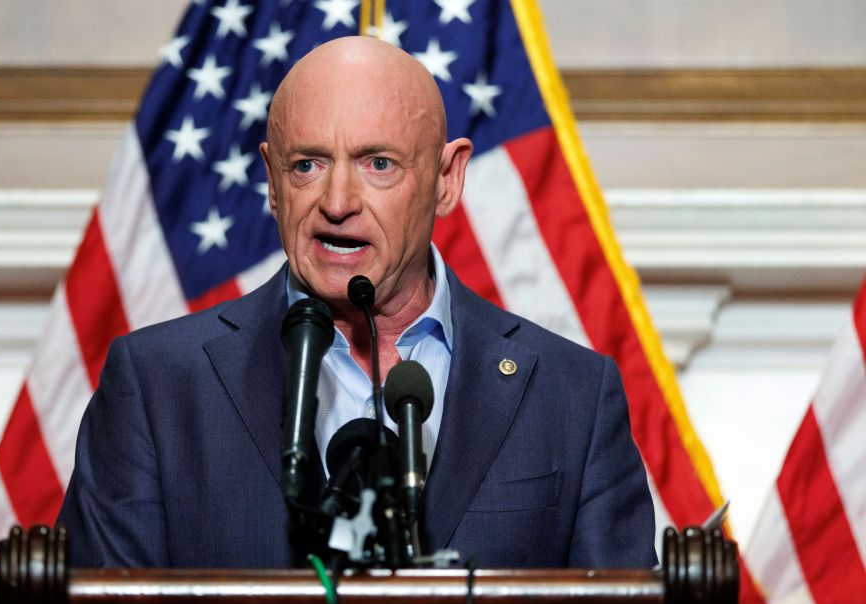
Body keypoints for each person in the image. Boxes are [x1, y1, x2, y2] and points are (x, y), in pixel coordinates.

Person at [57, 36, 657, 569]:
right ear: (271, 181)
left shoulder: (572, 396)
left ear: (448, 178)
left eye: (378, 164)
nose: (337, 200)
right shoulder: (157, 387)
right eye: (308, 164)